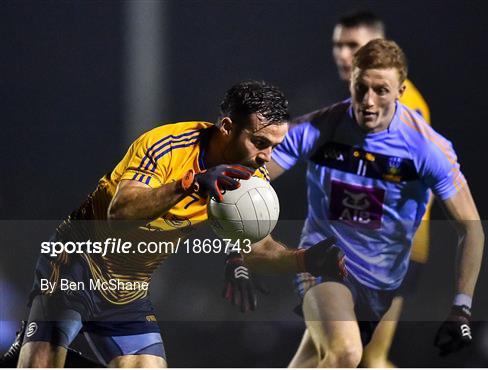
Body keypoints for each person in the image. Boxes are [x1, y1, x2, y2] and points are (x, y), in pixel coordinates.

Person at [10, 80, 345, 368]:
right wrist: (190, 184)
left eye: (275, 146)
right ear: (227, 127)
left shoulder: (249, 180)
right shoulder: (167, 146)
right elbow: (120, 211)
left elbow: (259, 249)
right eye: (259, 143)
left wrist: (304, 259)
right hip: (75, 267)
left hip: (128, 291)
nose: (267, 158)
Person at [265, 39, 484, 367]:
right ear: (350, 82)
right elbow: (254, 175)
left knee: (322, 361)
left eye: (381, 90)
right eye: (361, 88)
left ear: (401, 90)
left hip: (383, 284)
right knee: (348, 353)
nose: (368, 101)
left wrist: (461, 307)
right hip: (326, 266)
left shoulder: (426, 148)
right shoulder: (322, 127)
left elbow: (472, 230)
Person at [331, 10, 433, 367]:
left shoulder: (402, 106)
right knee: (362, 357)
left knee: (358, 357)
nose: (345, 55)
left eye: (354, 46)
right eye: (339, 46)